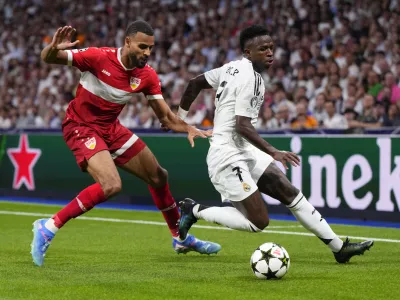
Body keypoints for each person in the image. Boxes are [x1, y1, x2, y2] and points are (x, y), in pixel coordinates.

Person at [175, 25, 373, 264]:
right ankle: (193, 209)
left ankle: (338, 248)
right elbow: (242, 125)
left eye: (271, 47)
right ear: (248, 52)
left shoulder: (231, 68)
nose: (270, 52)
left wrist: (179, 118)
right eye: (263, 49)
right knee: (259, 222)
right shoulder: (250, 78)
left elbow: (194, 83)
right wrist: (273, 151)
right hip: (227, 154)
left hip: (243, 148)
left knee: (287, 190)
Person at [30, 21, 221, 267]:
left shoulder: (147, 75)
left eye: (151, 48)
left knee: (158, 176)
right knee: (110, 185)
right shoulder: (97, 57)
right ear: (127, 42)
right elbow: (49, 58)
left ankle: (180, 238)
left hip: (111, 128)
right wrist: (53, 49)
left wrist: (188, 128)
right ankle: (48, 227)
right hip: (81, 126)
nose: (147, 53)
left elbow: (164, 117)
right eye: (143, 46)